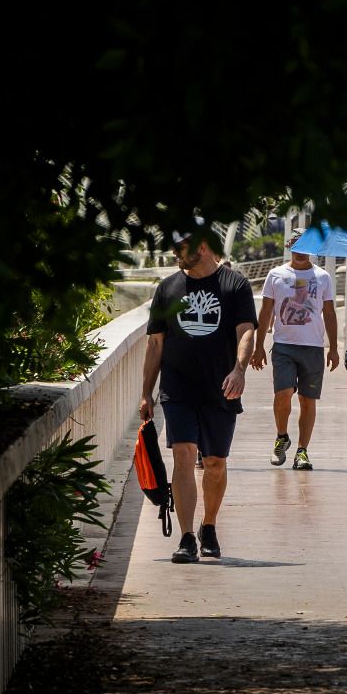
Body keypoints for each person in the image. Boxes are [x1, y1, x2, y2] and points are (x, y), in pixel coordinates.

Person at [141, 223, 257, 563]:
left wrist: (239, 369)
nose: (176, 254)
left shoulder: (234, 285)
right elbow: (155, 344)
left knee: (215, 463)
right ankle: (187, 537)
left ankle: (209, 525)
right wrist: (146, 393)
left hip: (220, 389)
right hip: (177, 389)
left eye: (182, 248)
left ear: (203, 247)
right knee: (183, 455)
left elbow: (246, 332)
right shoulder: (167, 288)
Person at [250, 234, 339, 470]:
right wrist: (258, 347)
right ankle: (281, 436)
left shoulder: (322, 277)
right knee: (283, 393)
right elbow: (266, 311)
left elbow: (329, 312)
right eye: (296, 246)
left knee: (308, 401)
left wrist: (334, 348)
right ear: (289, 246)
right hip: (283, 345)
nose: (300, 251)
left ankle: (302, 451)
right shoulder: (276, 275)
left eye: (306, 246)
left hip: (313, 347)